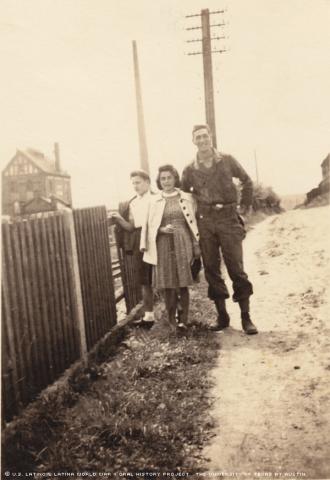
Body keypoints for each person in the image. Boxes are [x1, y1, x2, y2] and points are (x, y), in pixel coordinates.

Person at [181, 124, 258, 334]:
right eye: (198, 138)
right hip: (205, 221)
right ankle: (222, 316)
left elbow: (247, 181)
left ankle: (246, 317)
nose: (203, 140)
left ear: (210, 137)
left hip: (228, 218)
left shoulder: (227, 160)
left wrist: (244, 208)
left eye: (205, 136)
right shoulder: (189, 169)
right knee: (212, 269)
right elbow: (183, 196)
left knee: (236, 267)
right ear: (193, 141)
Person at [141, 165, 200, 330]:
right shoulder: (153, 201)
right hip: (162, 244)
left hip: (183, 241)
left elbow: (193, 223)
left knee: (183, 282)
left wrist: (196, 245)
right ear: (159, 181)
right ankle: (172, 320)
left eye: (169, 177)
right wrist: (161, 230)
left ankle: (184, 320)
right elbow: (149, 225)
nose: (166, 181)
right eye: (163, 179)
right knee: (167, 283)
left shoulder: (187, 197)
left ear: (175, 178)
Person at [111, 170, 154, 328]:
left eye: (139, 182)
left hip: (156, 237)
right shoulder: (133, 203)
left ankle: (176, 313)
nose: (136, 186)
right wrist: (119, 218)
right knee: (144, 279)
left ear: (148, 182)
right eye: (133, 183)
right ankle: (149, 317)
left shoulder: (156, 198)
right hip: (139, 241)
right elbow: (131, 227)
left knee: (164, 275)